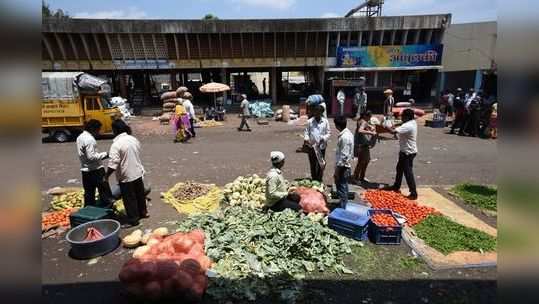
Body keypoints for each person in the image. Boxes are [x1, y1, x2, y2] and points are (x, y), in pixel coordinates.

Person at [106, 120, 147, 227]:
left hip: (126, 175)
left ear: (115, 130)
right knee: (139, 195)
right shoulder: (133, 139)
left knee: (129, 199)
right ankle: (143, 212)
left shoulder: (116, 144)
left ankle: (133, 220)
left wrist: (106, 176)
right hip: (137, 172)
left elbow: (113, 163)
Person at [76, 119, 113, 207]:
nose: (99, 132)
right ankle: (108, 211)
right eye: (98, 130)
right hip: (96, 170)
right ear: (93, 129)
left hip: (85, 170)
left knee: (89, 194)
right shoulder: (89, 139)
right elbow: (91, 157)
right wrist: (106, 154)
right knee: (105, 193)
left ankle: (89, 212)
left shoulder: (80, 137)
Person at [384, 109, 418, 200]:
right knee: (399, 168)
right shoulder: (412, 122)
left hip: (408, 152)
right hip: (405, 151)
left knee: (408, 172)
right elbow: (400, 124)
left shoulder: (408, 126)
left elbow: (393, 132)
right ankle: (396, 185)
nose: (401, 118)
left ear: (407, 117)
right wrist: (395, 124)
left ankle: (413, 192)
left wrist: (384, 125)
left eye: (403, 116)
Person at [304, 104, 331, 182]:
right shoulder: (310, 121)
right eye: (315, 112)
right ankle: (314, 179)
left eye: (318, 112)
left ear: (321, 113)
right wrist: (307, 139)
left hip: (321, 147)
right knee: (312, 163)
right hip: (311, 147)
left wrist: (323, 138)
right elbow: (306, 132)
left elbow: (328, 133)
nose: (316, 114)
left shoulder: (325, 122)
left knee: (321, 164)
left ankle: (319, 179)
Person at [334, 116, 354, 208]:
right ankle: (343, 204)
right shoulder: (348, 133)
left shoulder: (344, 137)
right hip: (344, 166)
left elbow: (344, 157)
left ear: (337, 125)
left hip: (343, 167)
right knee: (344, 187)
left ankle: (343, 208)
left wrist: (337, 171)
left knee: (342, 188)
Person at [352, 111, 376, 184]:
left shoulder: (362, 121)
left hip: (363, 145)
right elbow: (360, 130)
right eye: (369, 117)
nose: (370, 119)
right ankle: (356, 177)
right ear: (366, 116)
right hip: (361, 145)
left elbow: (366, 126)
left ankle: (362, 176)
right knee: (361, 162)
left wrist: (370, 127)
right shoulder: (363, 122)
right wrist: (371, 133)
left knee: (366, 161)